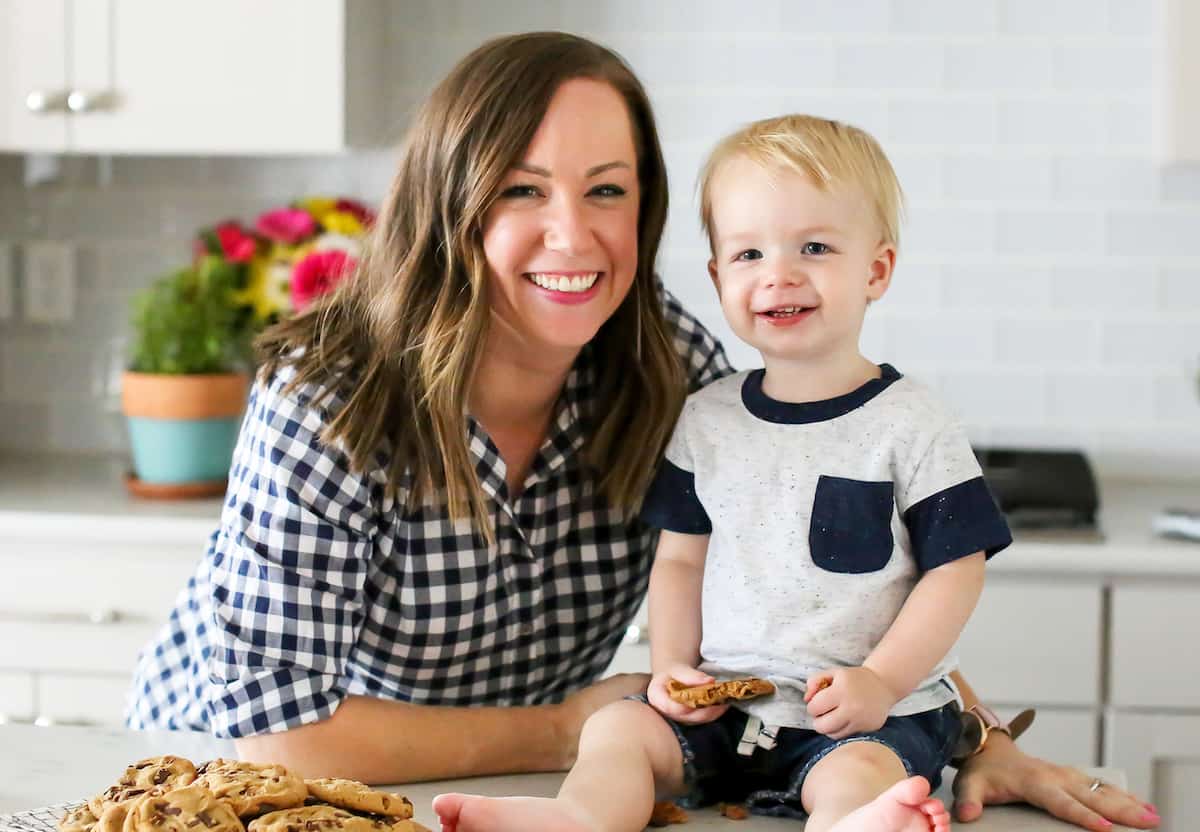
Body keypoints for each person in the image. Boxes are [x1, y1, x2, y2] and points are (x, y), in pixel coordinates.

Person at [125, 31, 1159, 832]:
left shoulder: (667, 367)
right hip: (212, 790)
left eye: (607, 191)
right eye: (522, 190)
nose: (574, 235)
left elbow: (839, 571)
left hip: (523, 790)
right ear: (451, 203)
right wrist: (570, 726)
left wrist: (960, 734)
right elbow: (282, 736)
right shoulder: (331, 397)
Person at [432, 113, 1011, 832]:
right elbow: (679, 561)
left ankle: (853, 824)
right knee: (616, 730)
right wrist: (673, 665)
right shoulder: (706, 418)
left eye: (816, 247)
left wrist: (882, 681)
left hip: (864, 720)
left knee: (858, 777)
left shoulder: (912, 423)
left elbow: (957, 571)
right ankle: (578, 818)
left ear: (877, 270)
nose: (779, 274)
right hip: (727, 714)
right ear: (716, 276)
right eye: (747, 255)